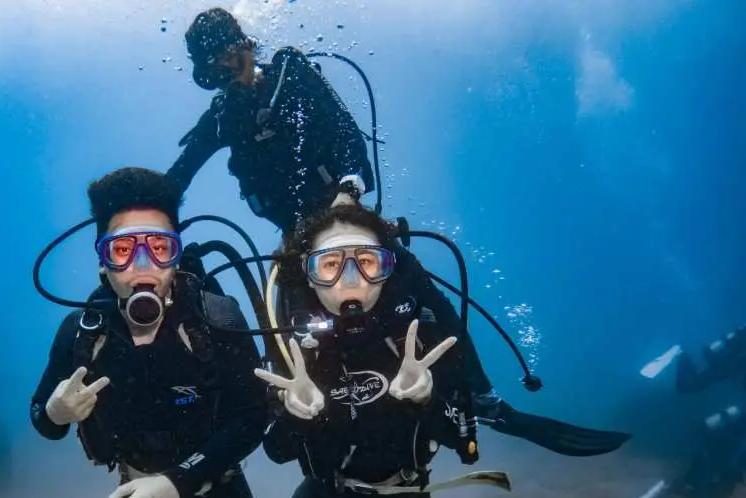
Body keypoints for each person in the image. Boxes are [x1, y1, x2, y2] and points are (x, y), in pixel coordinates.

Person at [170, 8, 628, 457]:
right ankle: (299, 415)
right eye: (214, 66)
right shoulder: (222, 116)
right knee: (290, 329)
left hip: (348, 224)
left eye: (230, 55)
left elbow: (350, 140)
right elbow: (179, 176)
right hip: (295, 244)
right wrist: (143, 217)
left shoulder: (294, 75)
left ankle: (484, 401)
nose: (228, 70)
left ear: (246, 45)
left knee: (419, 287)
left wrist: (348, 192)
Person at [29, 167, 297, 498]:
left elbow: (253, 417)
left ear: (176, 257)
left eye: (159, 247)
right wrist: (56, 414)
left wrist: (175, 483)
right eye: (122, 250)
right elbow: (42, 420)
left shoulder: (217, 318)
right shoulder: (80, 334)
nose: (142, 265)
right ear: (102, 263)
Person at [253, 203, 512, 498]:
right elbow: (276, 451)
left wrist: (427, 398)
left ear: (388, 270)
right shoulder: (297, 350)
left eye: (368, 262)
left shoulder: (419, 337)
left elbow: (464, 445)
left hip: (408, 491)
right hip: (333, 497)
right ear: (309, 275)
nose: (350, 282)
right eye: (330, 265)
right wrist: (297, 415)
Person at [622, 403, 746, 498]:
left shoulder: (735, 422)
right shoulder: (736, 428)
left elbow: (705, 431)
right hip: (713, 469)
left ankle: (665, 494)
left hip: (710, 466)